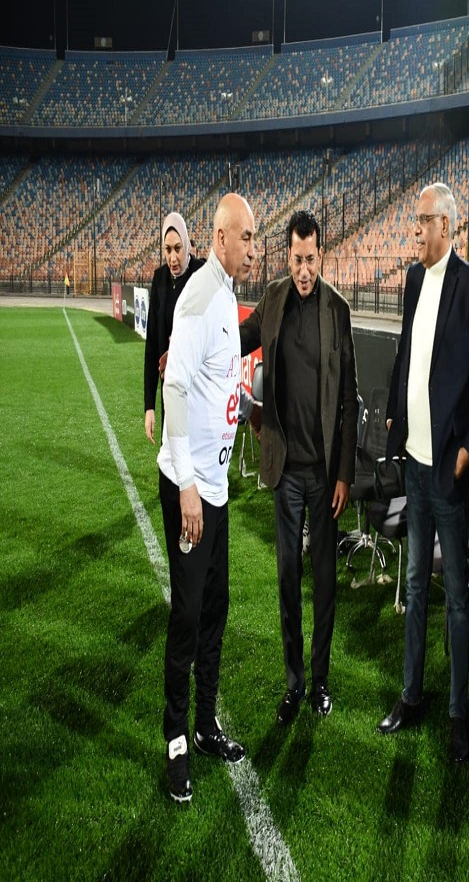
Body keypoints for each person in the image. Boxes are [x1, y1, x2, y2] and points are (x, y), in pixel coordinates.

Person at [376, 182, 469, 763]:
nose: (416, 230)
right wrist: (395, 412)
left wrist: (468, 449)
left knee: (455, 596)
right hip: (414, 465)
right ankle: (411, 696)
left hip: (448, 470)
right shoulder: (412, 280)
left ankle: (456, 712)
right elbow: (407, 352)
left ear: (447, 226)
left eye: (424, 221)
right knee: (413, 585)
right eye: (416, 221)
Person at [239, 209, 358, 726]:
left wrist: (345, 474)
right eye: (296, 259)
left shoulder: (338, 310)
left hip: (325, 474)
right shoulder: (273, 299)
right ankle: (294, 682)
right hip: (286, 471)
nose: (304, 270)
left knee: (324, 581)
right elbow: (237, 338)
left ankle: (322, 679)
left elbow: (349, 399)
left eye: (310, 260)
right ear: (286, 256)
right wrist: (193, 338)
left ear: (320, 255)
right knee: (288, 577)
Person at [158, 192, 256, 803]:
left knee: (216, 605)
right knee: (189, 614)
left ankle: (204, 722)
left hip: (215, 491)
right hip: (190, 489)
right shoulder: (199, 295)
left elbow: (216, 383)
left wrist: (243, 408)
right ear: (220, 238)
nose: (253, 248)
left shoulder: (223, 294)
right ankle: (175, 739)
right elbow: (173, 388)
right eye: (246, 237)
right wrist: (189, 485)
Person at [144, 212, 206, 444]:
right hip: (170, 391)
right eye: (167, 250)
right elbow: (152, 345)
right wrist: (149, 406)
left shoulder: (202, 274)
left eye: (178, 249)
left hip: (198, 392)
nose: (173, 257)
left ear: (187, 245)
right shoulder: (159, 278)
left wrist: (180, 352)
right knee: (169, 459)